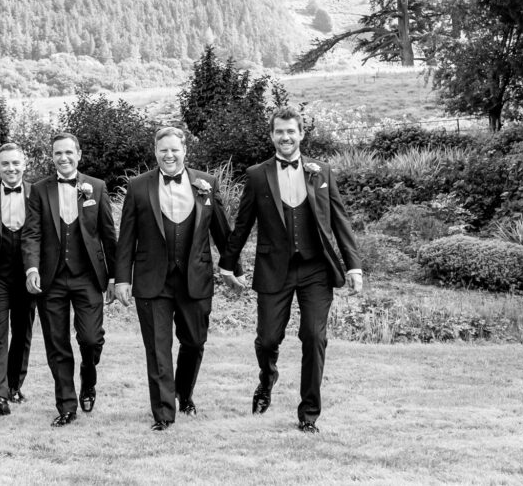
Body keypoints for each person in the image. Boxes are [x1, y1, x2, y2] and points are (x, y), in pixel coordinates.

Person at [220, 106, 363, 433]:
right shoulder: (257, 175)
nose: (286, 137)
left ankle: (308, 414)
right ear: (272, 135)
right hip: (274, 269)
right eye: (279, 132)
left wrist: (353, 265)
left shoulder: (321, 171)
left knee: (314, 337)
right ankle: (267, 377)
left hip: (316, 269)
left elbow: (339, 221)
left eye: (291, 131)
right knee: (267, 339)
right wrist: (228, 264)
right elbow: (242, 225)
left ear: (300, 134)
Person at [115, 127, 235, 431]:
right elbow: (127, 237)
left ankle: (183, 393)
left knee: (194, 342)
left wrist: (233, 267)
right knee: (158, 348)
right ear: (155, 151)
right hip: (151, 279)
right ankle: (164, 414)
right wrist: (121, 279)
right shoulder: (138, 186)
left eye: (174, 150)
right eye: (163, 150)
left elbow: (221, 230)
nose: (169, 155)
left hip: (195, 277)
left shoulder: (206, 184)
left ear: (185, 151)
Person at [22, 132, 117, 427]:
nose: (63, 158)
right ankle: (66, 405)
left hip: (88, 277)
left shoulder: (96, 188)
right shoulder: (39, 190)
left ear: (78, 154)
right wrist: (32, 268)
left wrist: (116, 277)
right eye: (57, 154)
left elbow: (108, 235)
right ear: (52, 157)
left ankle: (88, 378)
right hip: (51, 279)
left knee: (90, 339)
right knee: (56, 343)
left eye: (68, 152)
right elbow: (32, 233)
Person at [0, 143, 38, 416]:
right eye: (5, 164)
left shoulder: (37, 193)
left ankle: (14, 385)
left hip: (28, 274)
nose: (11, 168)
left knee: (23, 332)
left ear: (24, 164)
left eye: (15, 163)